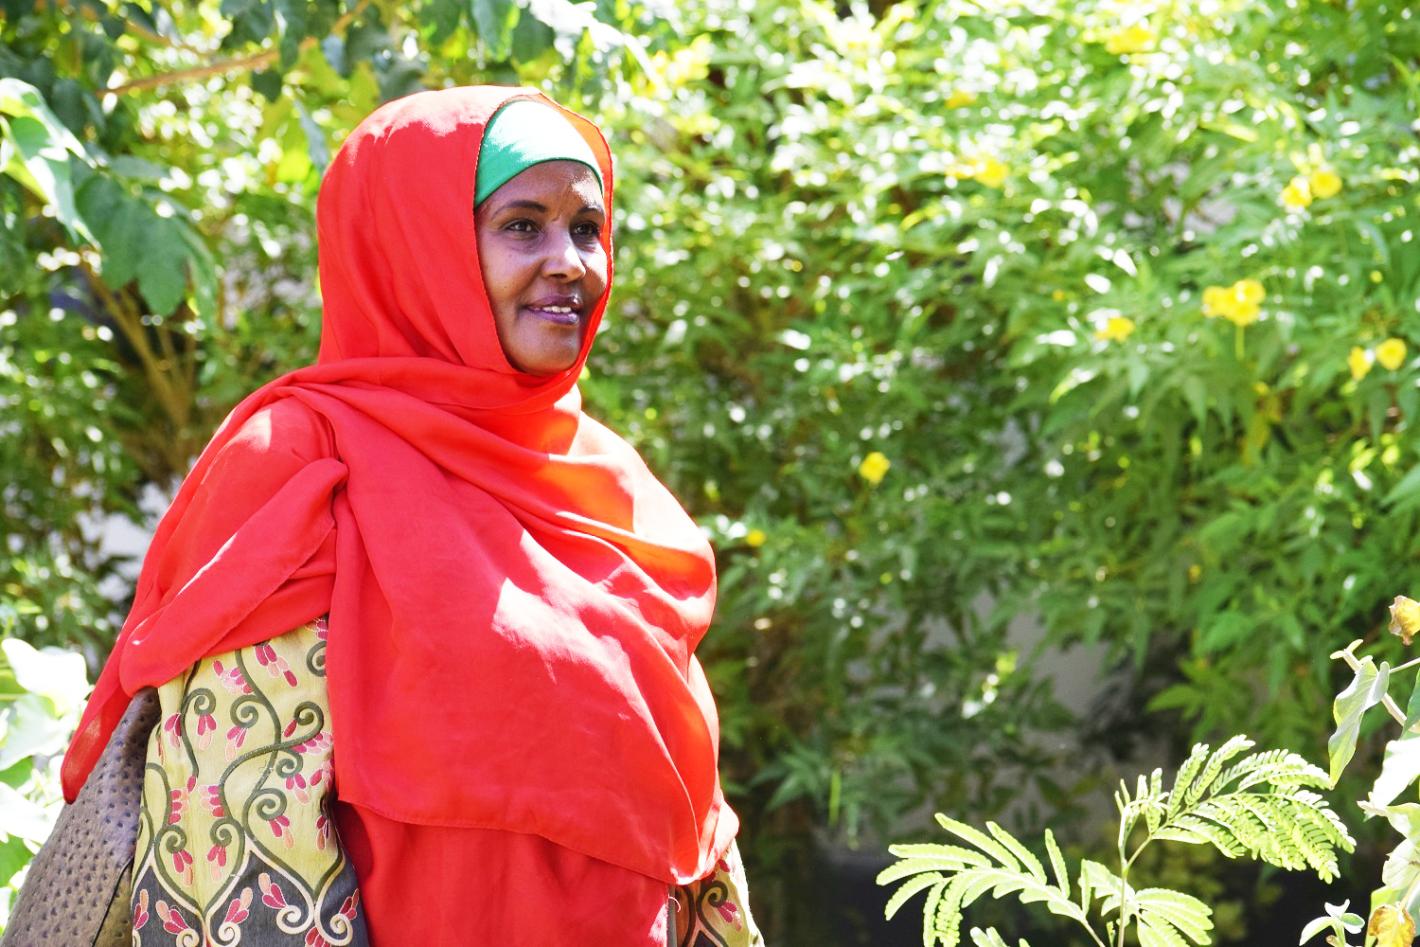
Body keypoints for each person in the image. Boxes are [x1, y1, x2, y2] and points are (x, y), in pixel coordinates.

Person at [56, 86, 762, 946]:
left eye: (587, 227)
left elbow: (691, 831)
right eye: (522, 226)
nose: (570, 262)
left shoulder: (612, 488)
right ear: (415, 246)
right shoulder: (302, 456)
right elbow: (228, 801)